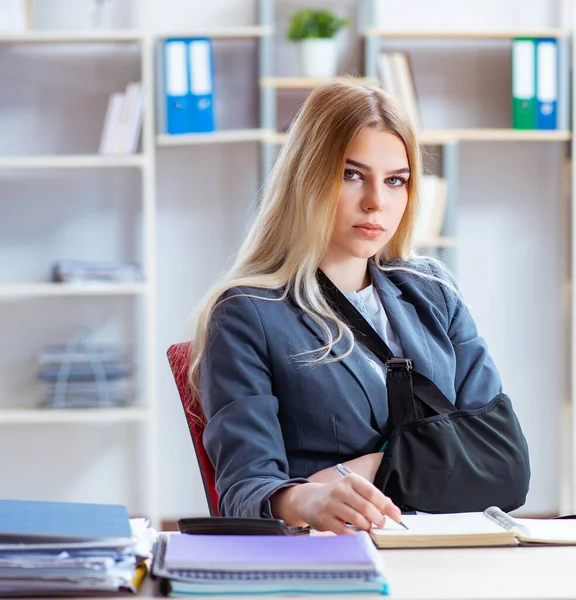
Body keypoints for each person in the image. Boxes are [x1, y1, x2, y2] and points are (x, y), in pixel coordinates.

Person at [188, 81, 529, 534]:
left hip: (450, 550)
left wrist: (374, 468)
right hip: (334, 554)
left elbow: (505, 465)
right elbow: (245, 492)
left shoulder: (435, 291)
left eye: (395, 181)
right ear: (306, 177)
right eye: (351, 174)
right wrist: (308, 498)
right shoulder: (246, 314)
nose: (376, 201)